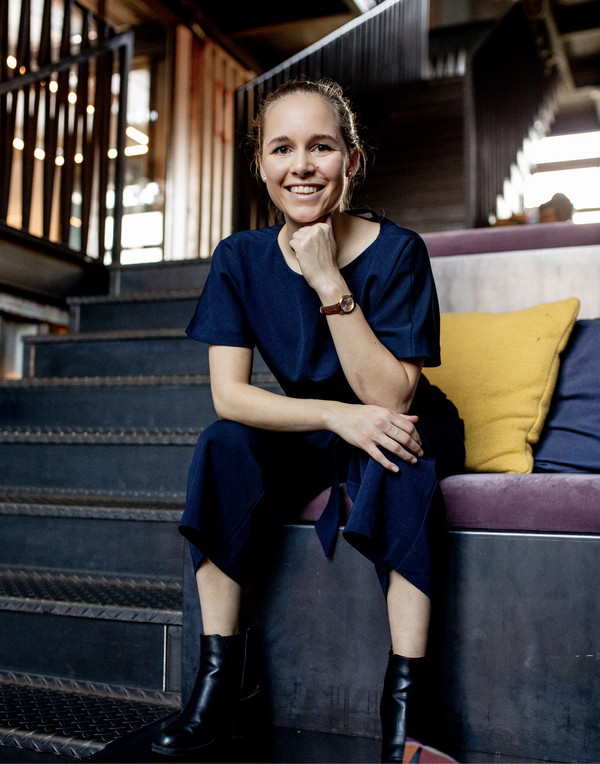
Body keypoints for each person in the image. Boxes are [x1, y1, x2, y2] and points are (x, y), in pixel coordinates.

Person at [151, 77, 465, 763]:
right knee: (223, 445)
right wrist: (334, 416)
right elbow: (230, 397)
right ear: (261, 164)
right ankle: (218, 690)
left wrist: (328, 279)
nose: (301, 166)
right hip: (322, 421)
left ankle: (409, 712)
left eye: (321, 147)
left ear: (352, 160)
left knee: (398, 447)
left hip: (401, 416)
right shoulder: (240, 258)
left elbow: (391, 397)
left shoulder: (399, 250)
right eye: (282, 148)